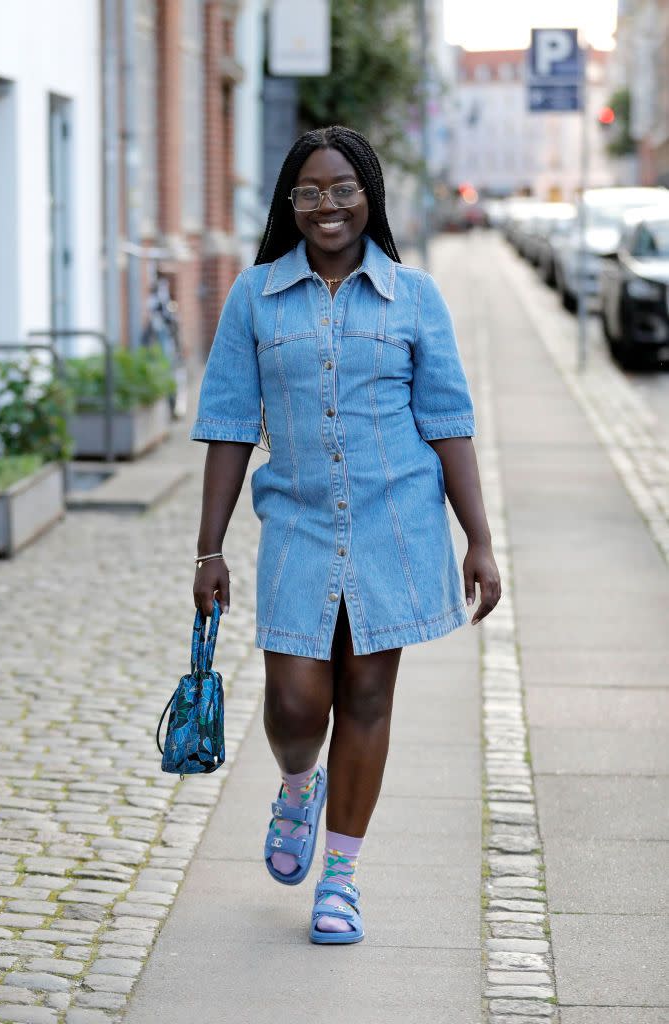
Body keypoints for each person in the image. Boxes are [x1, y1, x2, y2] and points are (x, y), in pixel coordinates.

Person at [191, 125, 500, 945]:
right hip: (294, 523)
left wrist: (479, 540)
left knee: (366, 696)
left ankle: (339, 877)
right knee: (297, 703)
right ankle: (298, 786)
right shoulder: (254, 297)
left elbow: (447, 422)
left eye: (342, 190)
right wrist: (209, 547)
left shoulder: (415, 297)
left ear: (368, 196)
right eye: (309, 193)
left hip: (393, 523)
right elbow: (227, 424)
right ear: (289, 205)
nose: (326, 206)